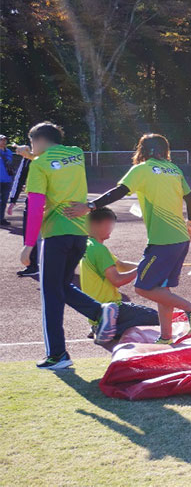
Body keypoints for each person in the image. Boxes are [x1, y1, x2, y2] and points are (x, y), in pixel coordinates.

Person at [67, 133, 191, 346]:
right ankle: (166, 337)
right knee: (162, 290)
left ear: (142, 150)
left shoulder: (142, 169)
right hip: (180, 239)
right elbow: (190, 197)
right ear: (164, 150)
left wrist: (90, 206)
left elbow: (118, 192)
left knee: (143, 287)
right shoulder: (174, 169)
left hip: (163, 241)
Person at [20, 121, 109, 370]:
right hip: (79, 234)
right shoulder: (76, 153)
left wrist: (29, 245)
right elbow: (55, 161)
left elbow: (36, 206)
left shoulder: (38, 165)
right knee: (60, 286)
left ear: (36, 140)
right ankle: (101, 312)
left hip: (55, 234)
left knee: (50, 293)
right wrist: (31, 154)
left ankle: (57, 354)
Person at [79, 207, 160, 344]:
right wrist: (141, 270)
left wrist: (145, 266)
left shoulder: (89, 245)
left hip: (95, 309)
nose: (111, 228)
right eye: (109, 224)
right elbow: (117, 280)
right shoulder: (99, 250)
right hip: (112, 308)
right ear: (99, 224)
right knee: (157, 318)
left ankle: (100, 325)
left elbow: (120, 264)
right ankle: (109, 328)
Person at [8, 148, 37, 276]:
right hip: (34, 201)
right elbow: (19, 178)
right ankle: (32, 265)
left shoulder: (55, 157)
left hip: (54, 203)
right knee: (29, 231)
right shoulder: (27, 160)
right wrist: (13, 200)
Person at [0, 134, 13, 225]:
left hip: (7, 179)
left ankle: (1, 218)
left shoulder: (9, 152)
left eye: (5, 140)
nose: (4, 142)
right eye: (2, 140)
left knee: (4, 201)